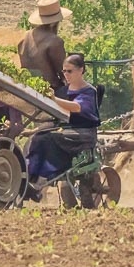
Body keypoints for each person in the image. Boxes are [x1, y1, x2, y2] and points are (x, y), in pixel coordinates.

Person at [24, 54, 100, 200]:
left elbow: (77, 107)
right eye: (64, 71)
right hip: (67, 131)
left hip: (83, 135)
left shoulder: (89, 91)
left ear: (81, 70)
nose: (66, 74)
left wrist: (53, 99)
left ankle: (40, 183)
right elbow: (55, 116)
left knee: (47, 140)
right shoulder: (63, 92)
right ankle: (31, 181)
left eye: (69, 71)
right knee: (37, 138)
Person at [18, 0, 71, 94]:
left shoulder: (25, 37)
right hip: (50, 90)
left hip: (28, 87)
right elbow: (64, 72)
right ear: (55, 22)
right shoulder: (55, 41)